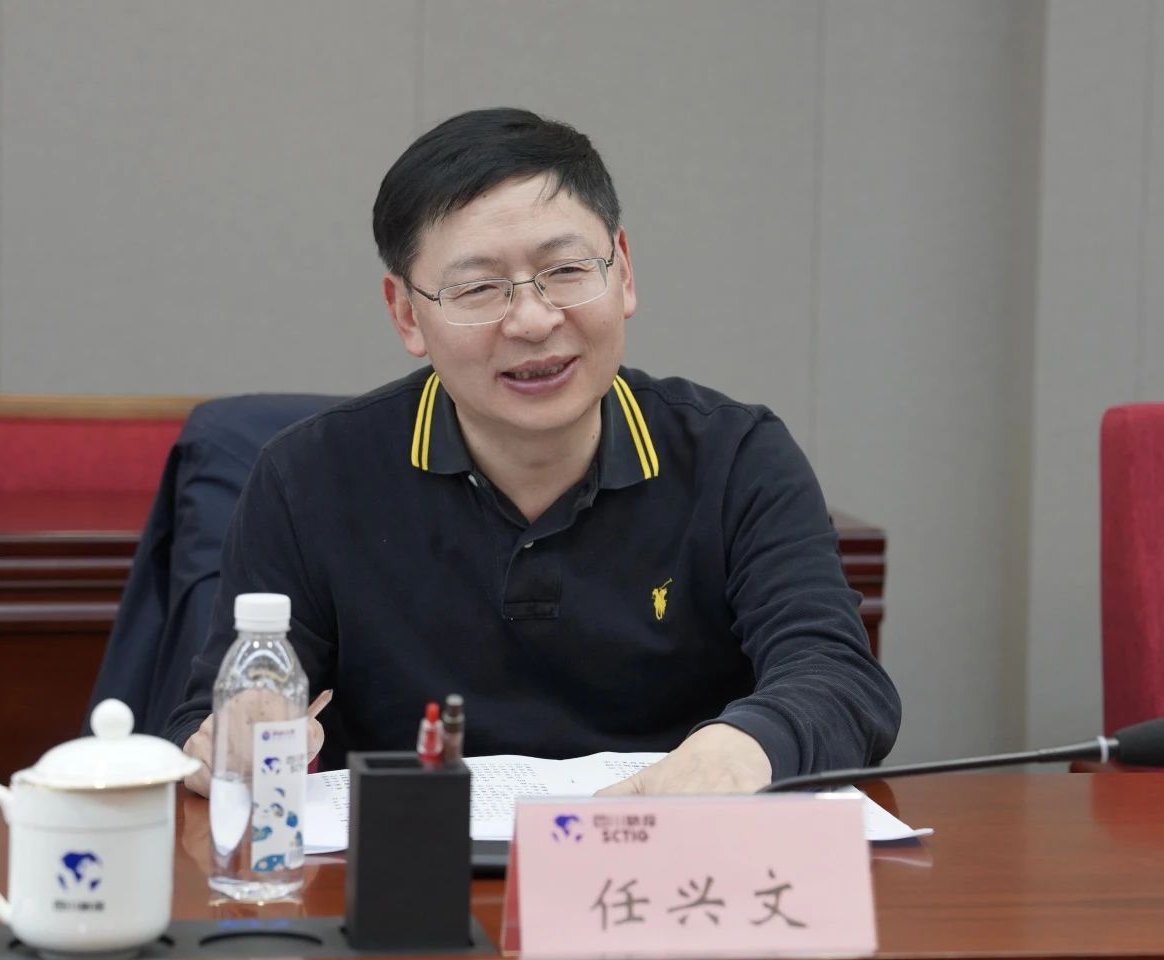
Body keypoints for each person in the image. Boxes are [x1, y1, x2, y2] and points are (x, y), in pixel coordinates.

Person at [165, 107, 900, 797]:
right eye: (480, 288)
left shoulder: (736, 457)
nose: (532, 320)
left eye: (566, 271)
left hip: (662, 863)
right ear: (406, 313)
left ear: (623, 272)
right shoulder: (310, 478)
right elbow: (207, 722)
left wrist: (741, 750)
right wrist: (232, 739)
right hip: (411, 869)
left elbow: (838, 676)